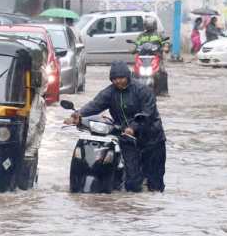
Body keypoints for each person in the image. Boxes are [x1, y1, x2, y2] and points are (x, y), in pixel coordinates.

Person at [64, 61, 166, 192]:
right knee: (132, 182)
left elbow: (148, 113)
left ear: (128, 77)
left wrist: (133, 127)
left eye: (121, 78)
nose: (118, 81)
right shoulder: (110, 92)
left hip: (152, 139)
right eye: (114, 79)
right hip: (127, 139)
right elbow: (95, 104)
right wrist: (77, 115)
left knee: (155, 183)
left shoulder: (143, 91)